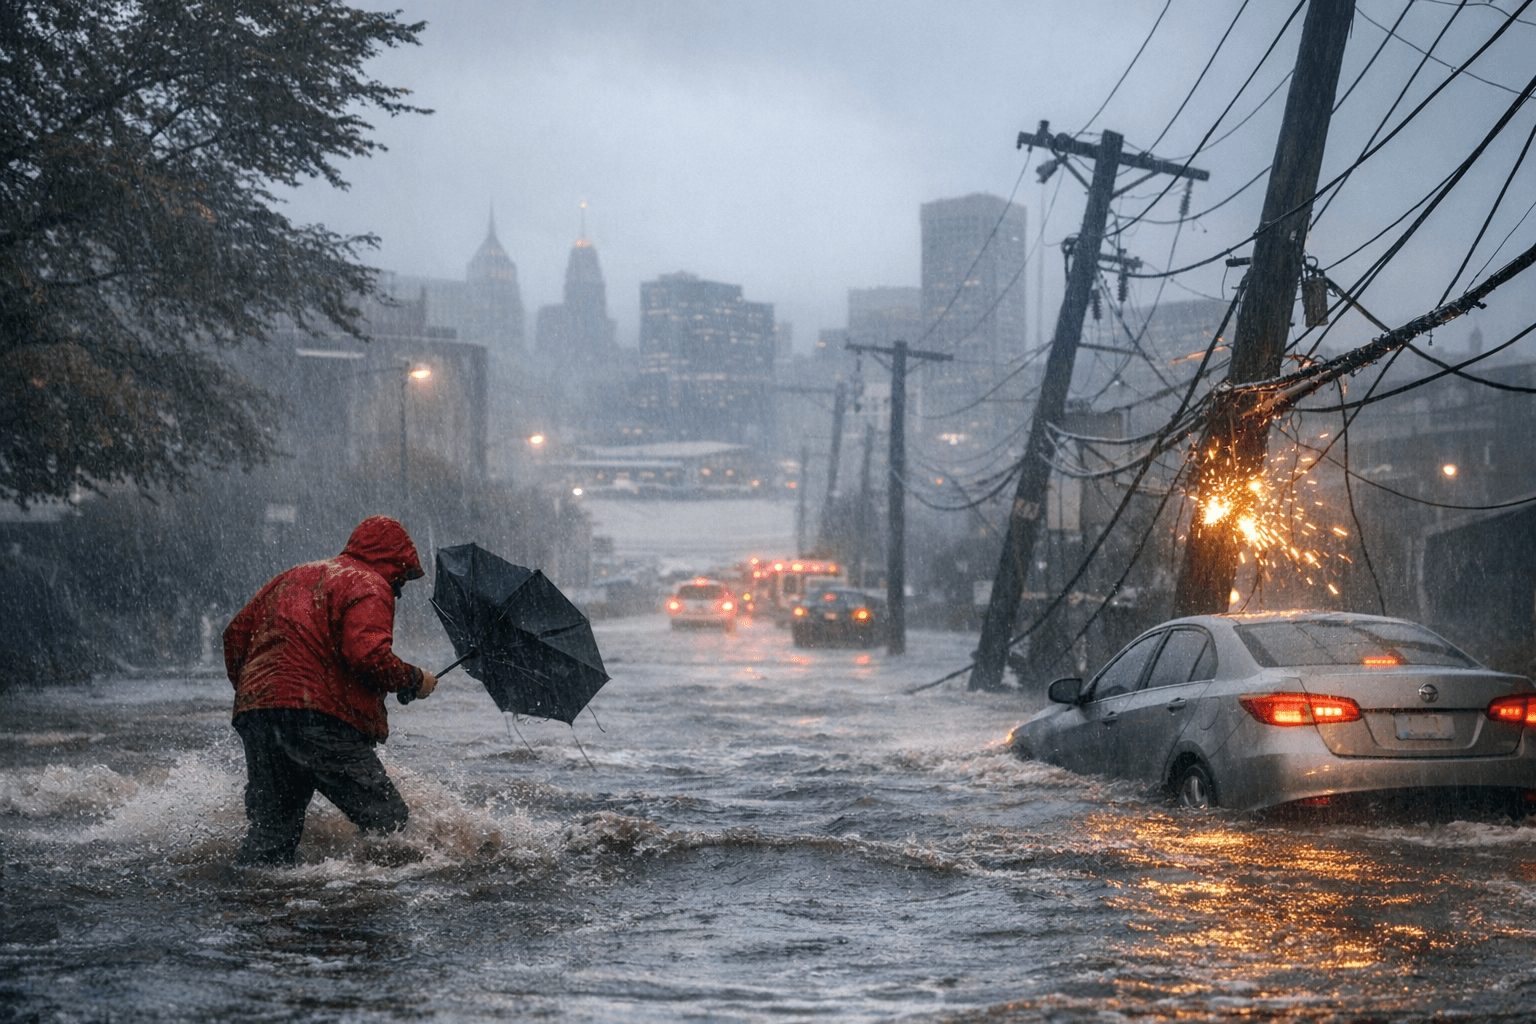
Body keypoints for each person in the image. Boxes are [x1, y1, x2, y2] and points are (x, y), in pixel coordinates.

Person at [223, 515, 439, 867]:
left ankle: (251, 902)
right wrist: (415, 680)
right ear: (389, 564)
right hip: (318, 717)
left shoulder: (291, 576)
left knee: (272, 835)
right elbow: (367, 655)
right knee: (389, 820)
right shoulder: (369, 583)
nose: (398, 590)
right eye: (399, 579)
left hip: (258, 714)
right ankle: (364, 894)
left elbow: (234, 637)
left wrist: (264, 698)